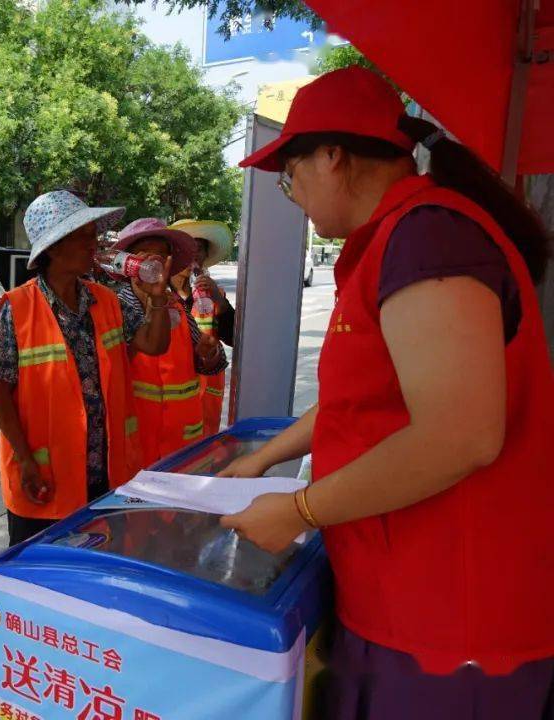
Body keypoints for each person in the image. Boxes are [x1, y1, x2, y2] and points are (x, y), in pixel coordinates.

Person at [218, 66, 553, 719]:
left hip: (454, 625)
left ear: (332, 157)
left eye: (291, 177)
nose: (296, 195)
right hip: (400, 600)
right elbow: (360, 401)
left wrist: (301, 510)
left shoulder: (430, 238)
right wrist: (262, 457)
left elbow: (460, 433)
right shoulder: (394, 243)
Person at [0, 191, 172, 546]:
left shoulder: (105, 299)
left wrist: (158, 298)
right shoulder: (19, 306)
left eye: (93, 235)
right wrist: (25, 459)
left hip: (105, 474)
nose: (94, 244)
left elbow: (154, 344)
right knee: (41, 580)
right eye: (83, 236)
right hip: (45, 477)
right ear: (53, 249)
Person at [112, 218, 227, 463]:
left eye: (162, 257)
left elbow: (213, 363)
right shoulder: (114, 308)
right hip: (133, 446)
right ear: (129, 262)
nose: (155, 264)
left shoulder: (177, 306)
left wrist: (209, 353)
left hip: (181, 448)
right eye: (146, 256)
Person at [168, 220, 235, 435]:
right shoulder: (157, 295)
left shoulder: (214, 294)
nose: (193, 256)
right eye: (187, 249)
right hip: (171, 402)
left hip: (206, 401)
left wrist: (219, 301)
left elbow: (235, 337)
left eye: (199, 250)